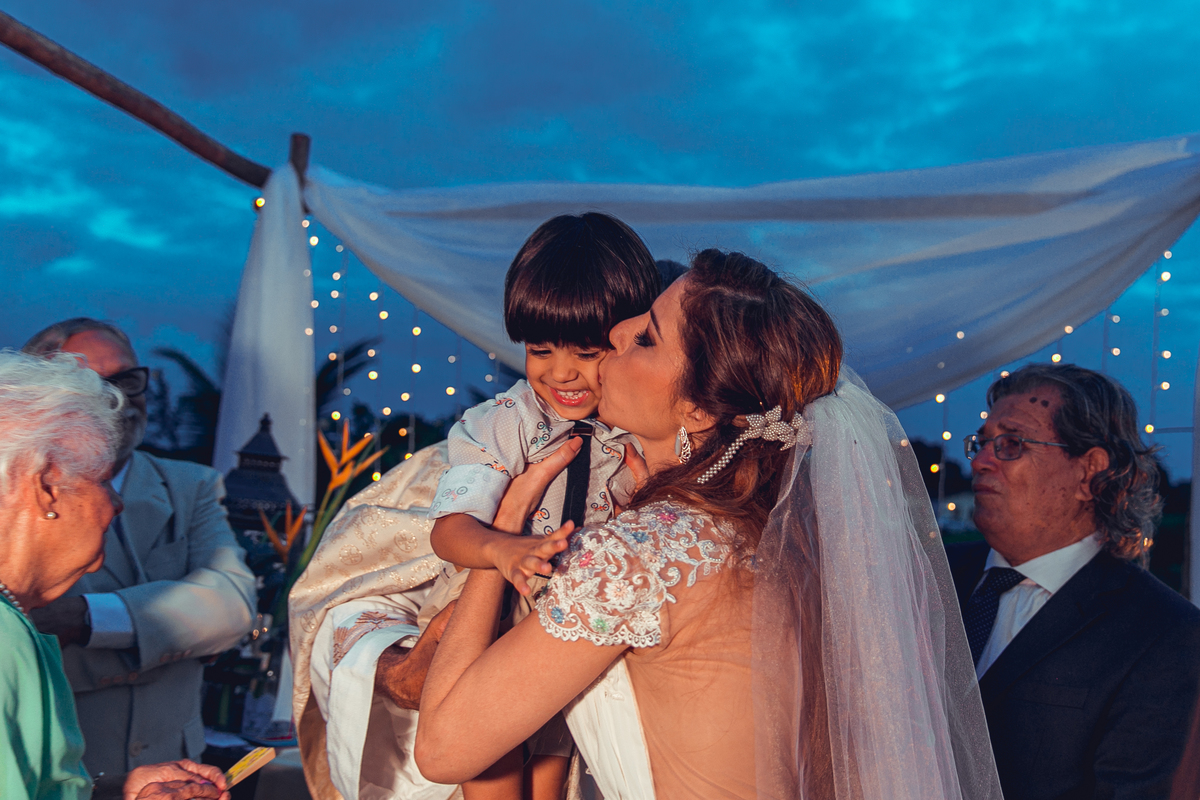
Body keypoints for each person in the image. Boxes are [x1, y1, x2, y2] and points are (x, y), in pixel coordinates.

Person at [415, 250, 1003, 799]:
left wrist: (504, 525)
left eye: (646, 337)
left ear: (697, 409)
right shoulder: (783, 538)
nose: (616, 333)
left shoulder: (640, 555)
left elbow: (443, 749)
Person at [427, 212, 659, 799]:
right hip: (498, 616)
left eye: (587, 352)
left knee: (554, 766)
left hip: (573, 629)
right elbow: (449, 531)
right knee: (490, 759)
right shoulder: (506, 423)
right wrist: (500, 548)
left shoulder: (633, 426)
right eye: (540, 350)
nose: (561, 373)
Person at [948, 363, 1200, 799]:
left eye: (1011, 443)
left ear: (1089, 472)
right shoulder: (927, 576)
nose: (981, 461)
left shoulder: (1164, 634)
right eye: (982, 443)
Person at [22, 319, 257, 777]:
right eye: (91, 384)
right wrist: (181, 635)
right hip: (56, 773)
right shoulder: (15, 494)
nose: (119, 399)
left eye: (128, 379)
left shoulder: (192, 485)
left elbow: (234, 606)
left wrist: (84, 619)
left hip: (174, 773)